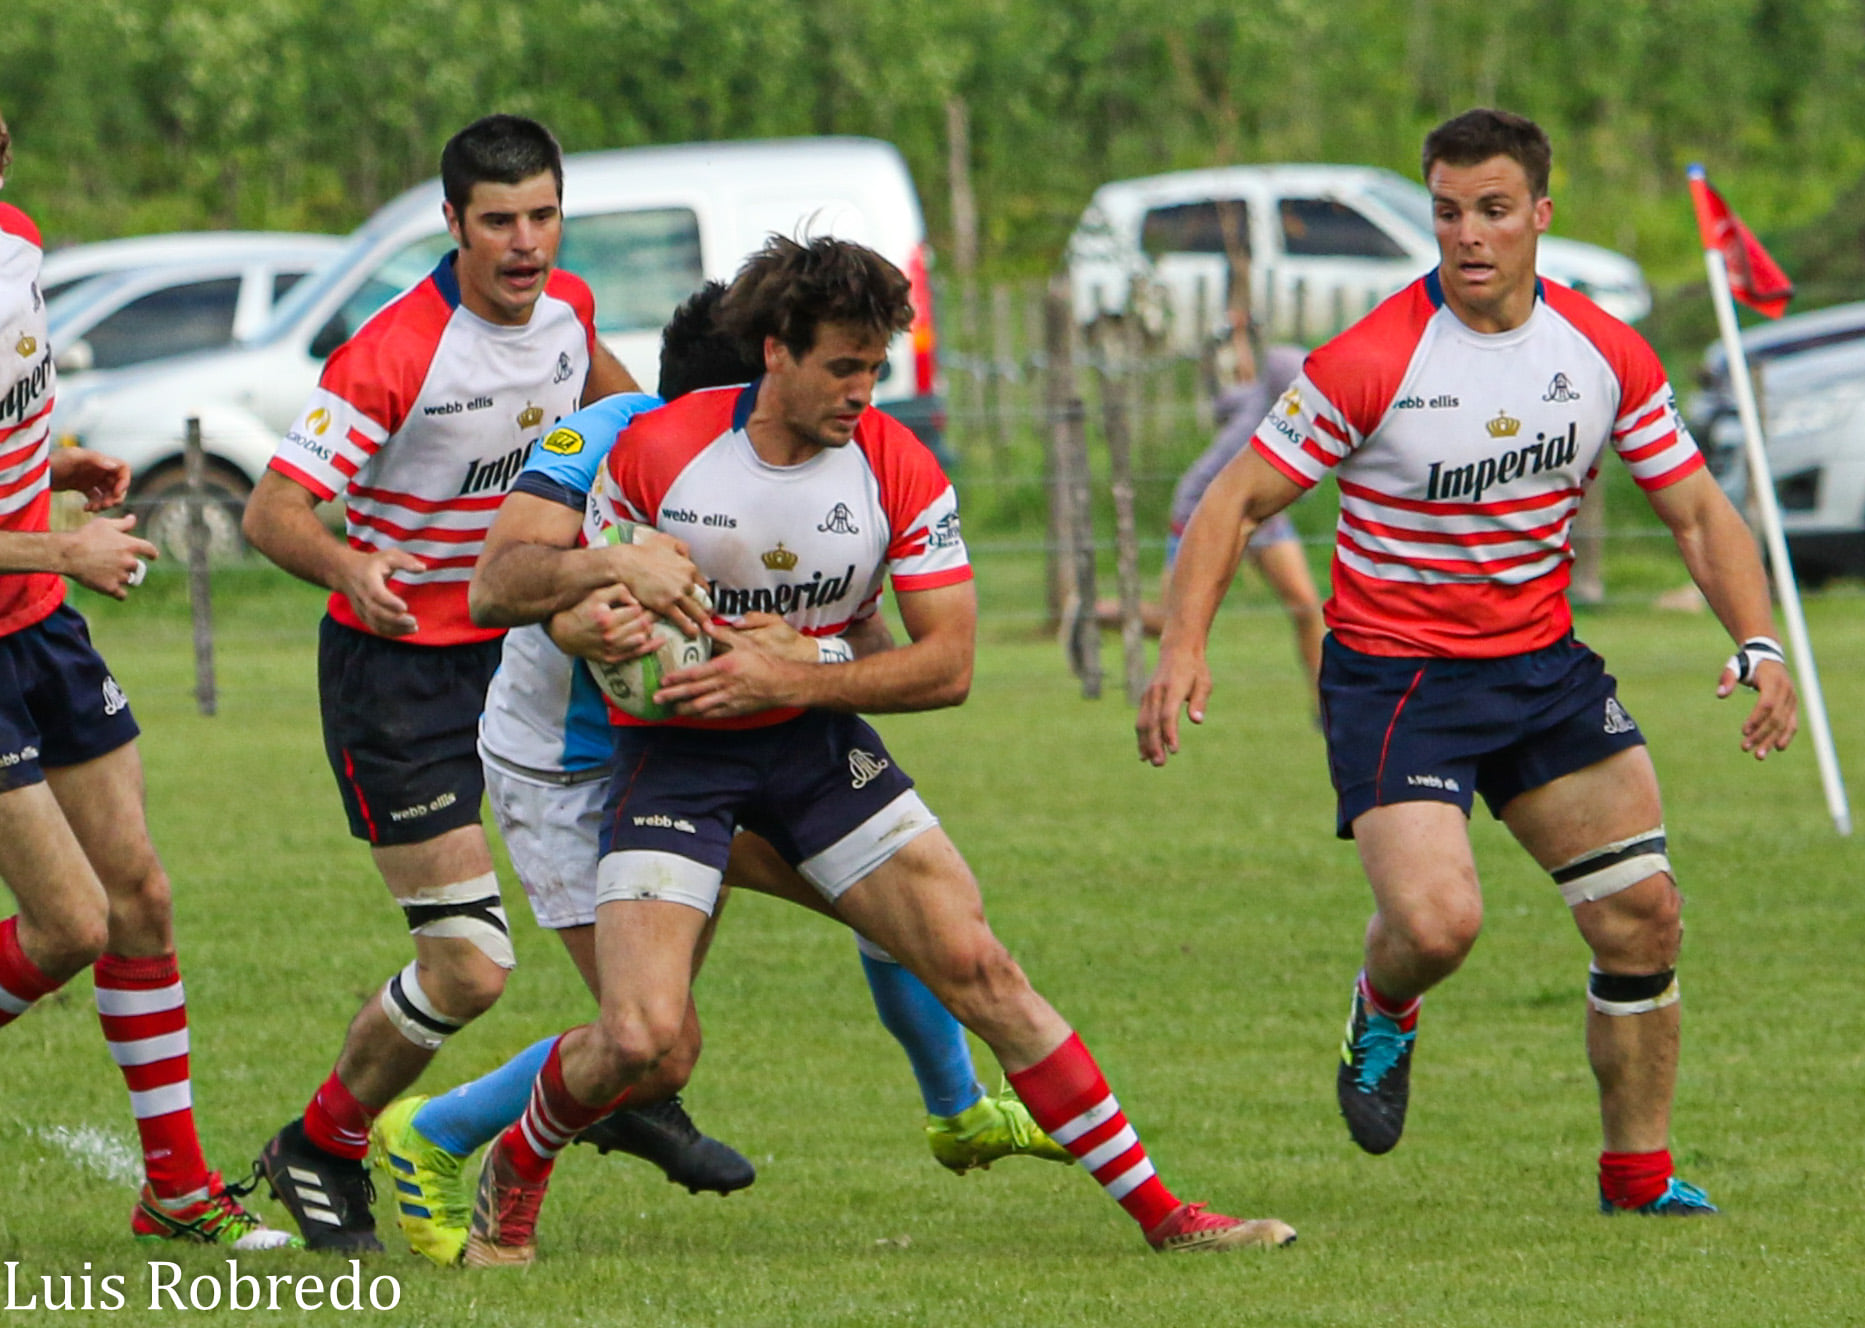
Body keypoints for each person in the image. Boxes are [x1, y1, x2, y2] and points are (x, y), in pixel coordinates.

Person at [452, 236, 1292, 1267]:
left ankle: (1169, 1215)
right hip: (676, 759)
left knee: (982, 964)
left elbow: (949, 666)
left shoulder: (896, 464)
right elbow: (570, 608)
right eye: (843, 365)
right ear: (776, 352)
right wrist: (601, 617)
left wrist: (799, 671)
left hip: (815, 750)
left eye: (875, 366)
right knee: (640, 1039)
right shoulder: (657, 452)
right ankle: (517, 1159)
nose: (864, 389)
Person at [1139, 108, 1799, 1216]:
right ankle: (1384, 1003)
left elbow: (1693, 509)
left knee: (1643, 913)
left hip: (1540, 669)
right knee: (1440, 922)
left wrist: (1760, 638)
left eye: (1493, 210)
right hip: (1399, 679)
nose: (1469, 235)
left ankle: (1636, 1180)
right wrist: (1182, 646)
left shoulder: (1599, 351)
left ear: (1540, 215)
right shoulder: (1374, 359)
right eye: (1448, 212)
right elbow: (1235, 499)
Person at [369, 281, 1068, 1266]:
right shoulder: (612, 443)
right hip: (572, 769)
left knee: (903, 904)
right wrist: (589, 603)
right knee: (654, 1042)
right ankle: (433, 1131)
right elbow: (517, 588)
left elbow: (858, 625)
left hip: (703, 752)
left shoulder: (804, 458)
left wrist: (819, 652)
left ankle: (958, 1110)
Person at [238, 113, 733, 1252]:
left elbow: (635, 425)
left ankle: (633, 1081)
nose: (525, 243)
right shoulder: (391, 353)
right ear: (453, 223)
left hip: (524, 659)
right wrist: (350, 563)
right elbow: (273, 509)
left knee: (637, 943)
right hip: (398, 676)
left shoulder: (571, 314)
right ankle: (322, 1141)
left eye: (543, 216)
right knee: (466, 966)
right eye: (499, 220)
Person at [0, 107, 291, 1250]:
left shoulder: (18, 244)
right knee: (66, 924)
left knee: (142, 900)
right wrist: (67, 543)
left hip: (39, 625)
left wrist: (53, 466)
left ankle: (175, 1185)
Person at [1151, 343, 1322, 715]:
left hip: (1266, 517)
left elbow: (1225, 399)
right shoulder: (1263, 433)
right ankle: (1094, 613)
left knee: (1307, 606)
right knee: (1170, 620)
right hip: (1201, 511)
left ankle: (1325, 707)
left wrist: (1239, 345)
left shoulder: (1261, 397)